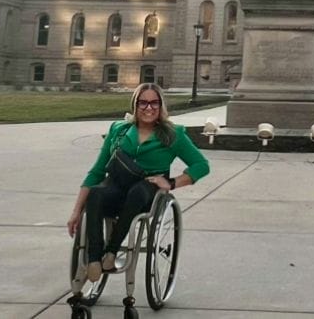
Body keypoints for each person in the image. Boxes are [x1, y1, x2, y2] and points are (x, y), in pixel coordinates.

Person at [66, 83, 210, 283]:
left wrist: (171, 182)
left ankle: (112, 252)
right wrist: (76, 211)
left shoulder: (173, 134)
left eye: (154, 103)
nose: (148, 108)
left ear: (161, 106)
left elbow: (201, 165)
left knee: (137, 192)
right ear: (135, 105)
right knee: (97, 193)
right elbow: (97, 171)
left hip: (146, 191)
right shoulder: (119, 130)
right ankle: (94, 259)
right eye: (143, 103)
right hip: (116, 186)